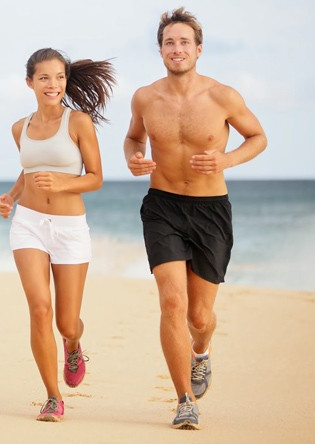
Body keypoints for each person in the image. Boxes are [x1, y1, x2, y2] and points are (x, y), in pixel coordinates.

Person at [124, 7, 267, 430]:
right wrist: (134, 157)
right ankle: (185, 399)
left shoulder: (223, 96)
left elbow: (258, 137)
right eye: (169, 42)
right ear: (160, 50)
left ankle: (200, 352)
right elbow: (134, 136)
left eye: (184, 41)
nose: (177, 48)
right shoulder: (145, 97)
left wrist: (226, 158)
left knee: (199, 318)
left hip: (210, 212)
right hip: (162, 206)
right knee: (172, 302)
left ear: (199, 49)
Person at [0, 48, 114, 422]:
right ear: (30, 82)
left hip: (69, 228)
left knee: (66, 322)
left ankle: (73, 343)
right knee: (38, 309)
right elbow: (29, 169)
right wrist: (12, 197)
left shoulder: (78, 122)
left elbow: (95, 178)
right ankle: (52, 396)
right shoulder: (20, 127)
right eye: (45, 77)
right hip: (28, 224)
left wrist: (63, 183)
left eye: (60, 77)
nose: (54, 84)